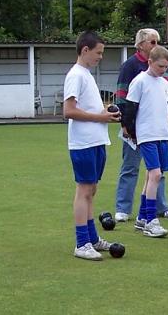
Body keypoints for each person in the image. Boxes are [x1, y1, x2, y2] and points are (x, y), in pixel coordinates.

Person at [63, 31, 121, 260]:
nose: (101, 57)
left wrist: (104, 111)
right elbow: (69, 111)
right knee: (84, 190)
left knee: (91, 191)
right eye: (98, 52)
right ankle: (81, 243)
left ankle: (92, 238)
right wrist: (101, 117)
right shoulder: (75, 75)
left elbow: (85, 107)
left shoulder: (86, 74)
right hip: (83, 143)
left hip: (96, 141)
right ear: (85, 50)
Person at [114, 28, 168, 223]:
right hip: (141, 130)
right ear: (141, 45)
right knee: (133, 167)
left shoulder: (163, 74)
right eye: (152, 42)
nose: (156, 45)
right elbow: (125, 98)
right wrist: (127, 125)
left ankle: (156, 209)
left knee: (156, 173)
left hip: (160, 132)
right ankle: (126, 210)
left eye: (157, 42)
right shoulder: (131, 68)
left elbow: (167, 97)